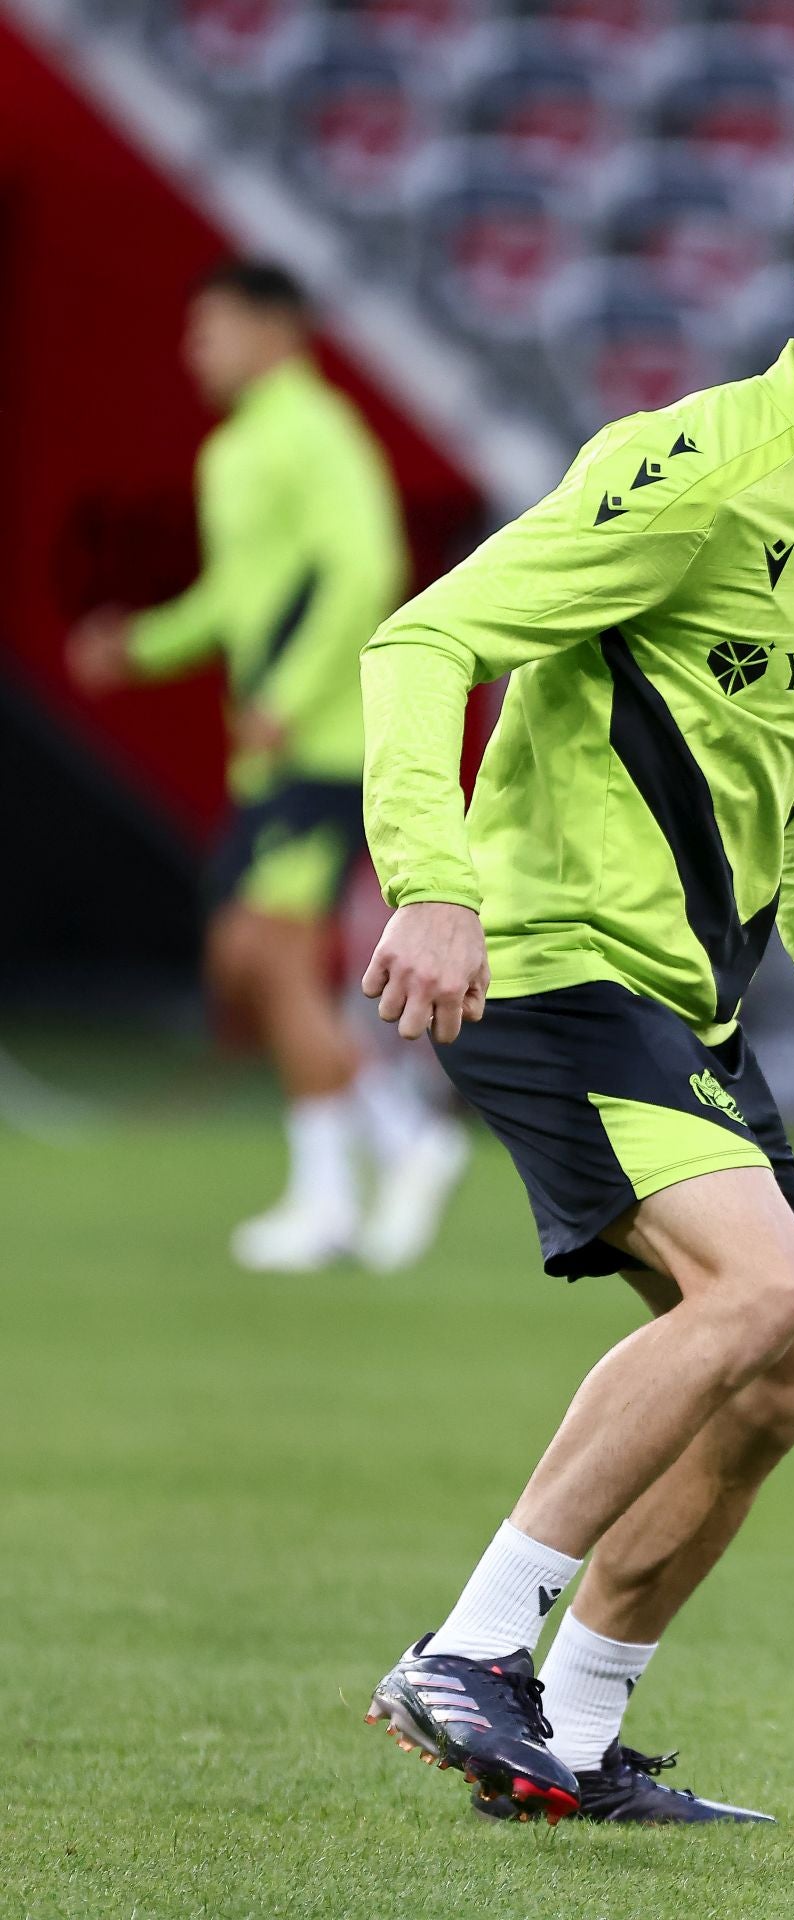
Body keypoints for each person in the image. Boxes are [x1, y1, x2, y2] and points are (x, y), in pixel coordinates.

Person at [359, 113, 794, 1824]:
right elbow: (425, 635)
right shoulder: (697, 475)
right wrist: (432, 885)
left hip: (684, 997)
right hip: (548, 961)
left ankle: (567, 1738)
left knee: (788, 1368)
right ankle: (472, 1651)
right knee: (764, 1294)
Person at [66, 260, 467, 1274]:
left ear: (273, 329)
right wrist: (142, 646)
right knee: (248, 961)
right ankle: (401, 1139)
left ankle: (333, 1195)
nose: (195, 349)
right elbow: (235, 597)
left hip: (323, 749)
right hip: (276, 756)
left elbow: (363, 570)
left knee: (273, 958)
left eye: (212, 328)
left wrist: (287, 696)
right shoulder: (239, 447)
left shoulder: (315, 434)